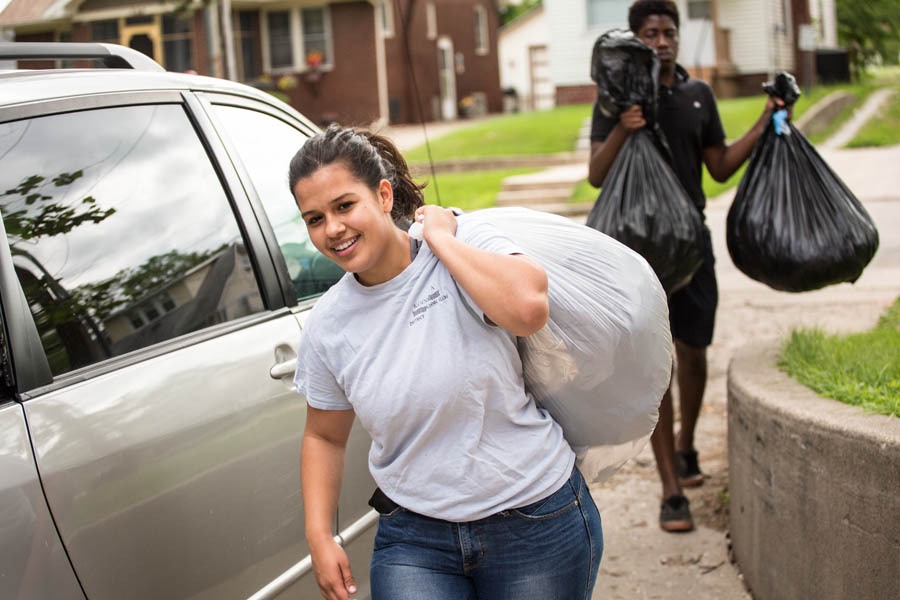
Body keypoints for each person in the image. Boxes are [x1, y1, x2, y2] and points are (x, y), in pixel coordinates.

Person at [291, 125, 603, 600]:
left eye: (344, 206)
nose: (332, 229)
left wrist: (441, 240)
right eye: (314, 218)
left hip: (534, 519)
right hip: (417, 537)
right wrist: (319, 534)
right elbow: (324, 435)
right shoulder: (328, 325)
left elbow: (527, 310)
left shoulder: (460, 235)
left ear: (381, 194)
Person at [588, 0, 789, 532]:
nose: (662, 40)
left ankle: (685, 446)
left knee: (695, 352)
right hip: (640, 251)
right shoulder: (618, 99)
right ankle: (671, 490)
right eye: (650, 33)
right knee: (657, 366)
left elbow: (719, 165)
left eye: (668, 31)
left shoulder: (698, 96)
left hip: (691, 246)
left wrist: (766, 119)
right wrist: (624, 128)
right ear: (636, 41)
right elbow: (594, 173)